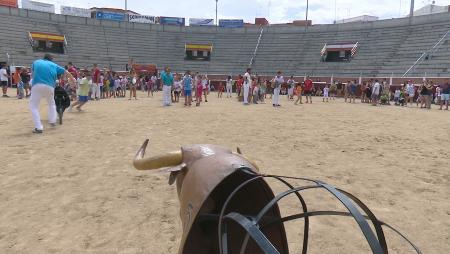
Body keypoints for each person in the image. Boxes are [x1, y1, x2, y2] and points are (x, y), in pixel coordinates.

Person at [29, 54, 75, 133]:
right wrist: (73, 81)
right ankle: (52, 120)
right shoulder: (54, 65)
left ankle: (39, 127)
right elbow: (67, 72)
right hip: (50, 86)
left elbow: (32, 73)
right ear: (51, 60)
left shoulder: (36, 62)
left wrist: (31, 82)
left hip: (37, 85)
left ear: (44, 58)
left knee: (34, 106)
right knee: (52, 104)